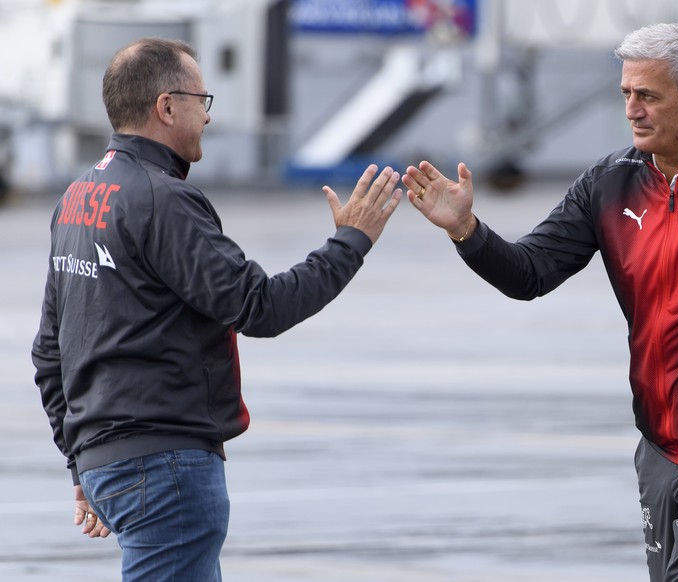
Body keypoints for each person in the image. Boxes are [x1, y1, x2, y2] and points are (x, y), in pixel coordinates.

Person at [402, 22, 678, 581]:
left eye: (648, 96)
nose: (632, 109)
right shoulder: (607, 183)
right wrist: (467, 229)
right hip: (659, 445)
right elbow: (530, 274)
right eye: (626, 95)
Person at [31, 37, 401, 581]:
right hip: (164, 468)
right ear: (166, 106)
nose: (207, 116)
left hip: (109, 464)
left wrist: (81, 460)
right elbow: (262, 307)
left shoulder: (77, 197)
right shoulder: (163, 199)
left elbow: (48, 351)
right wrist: (352, 241)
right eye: (202, 100)